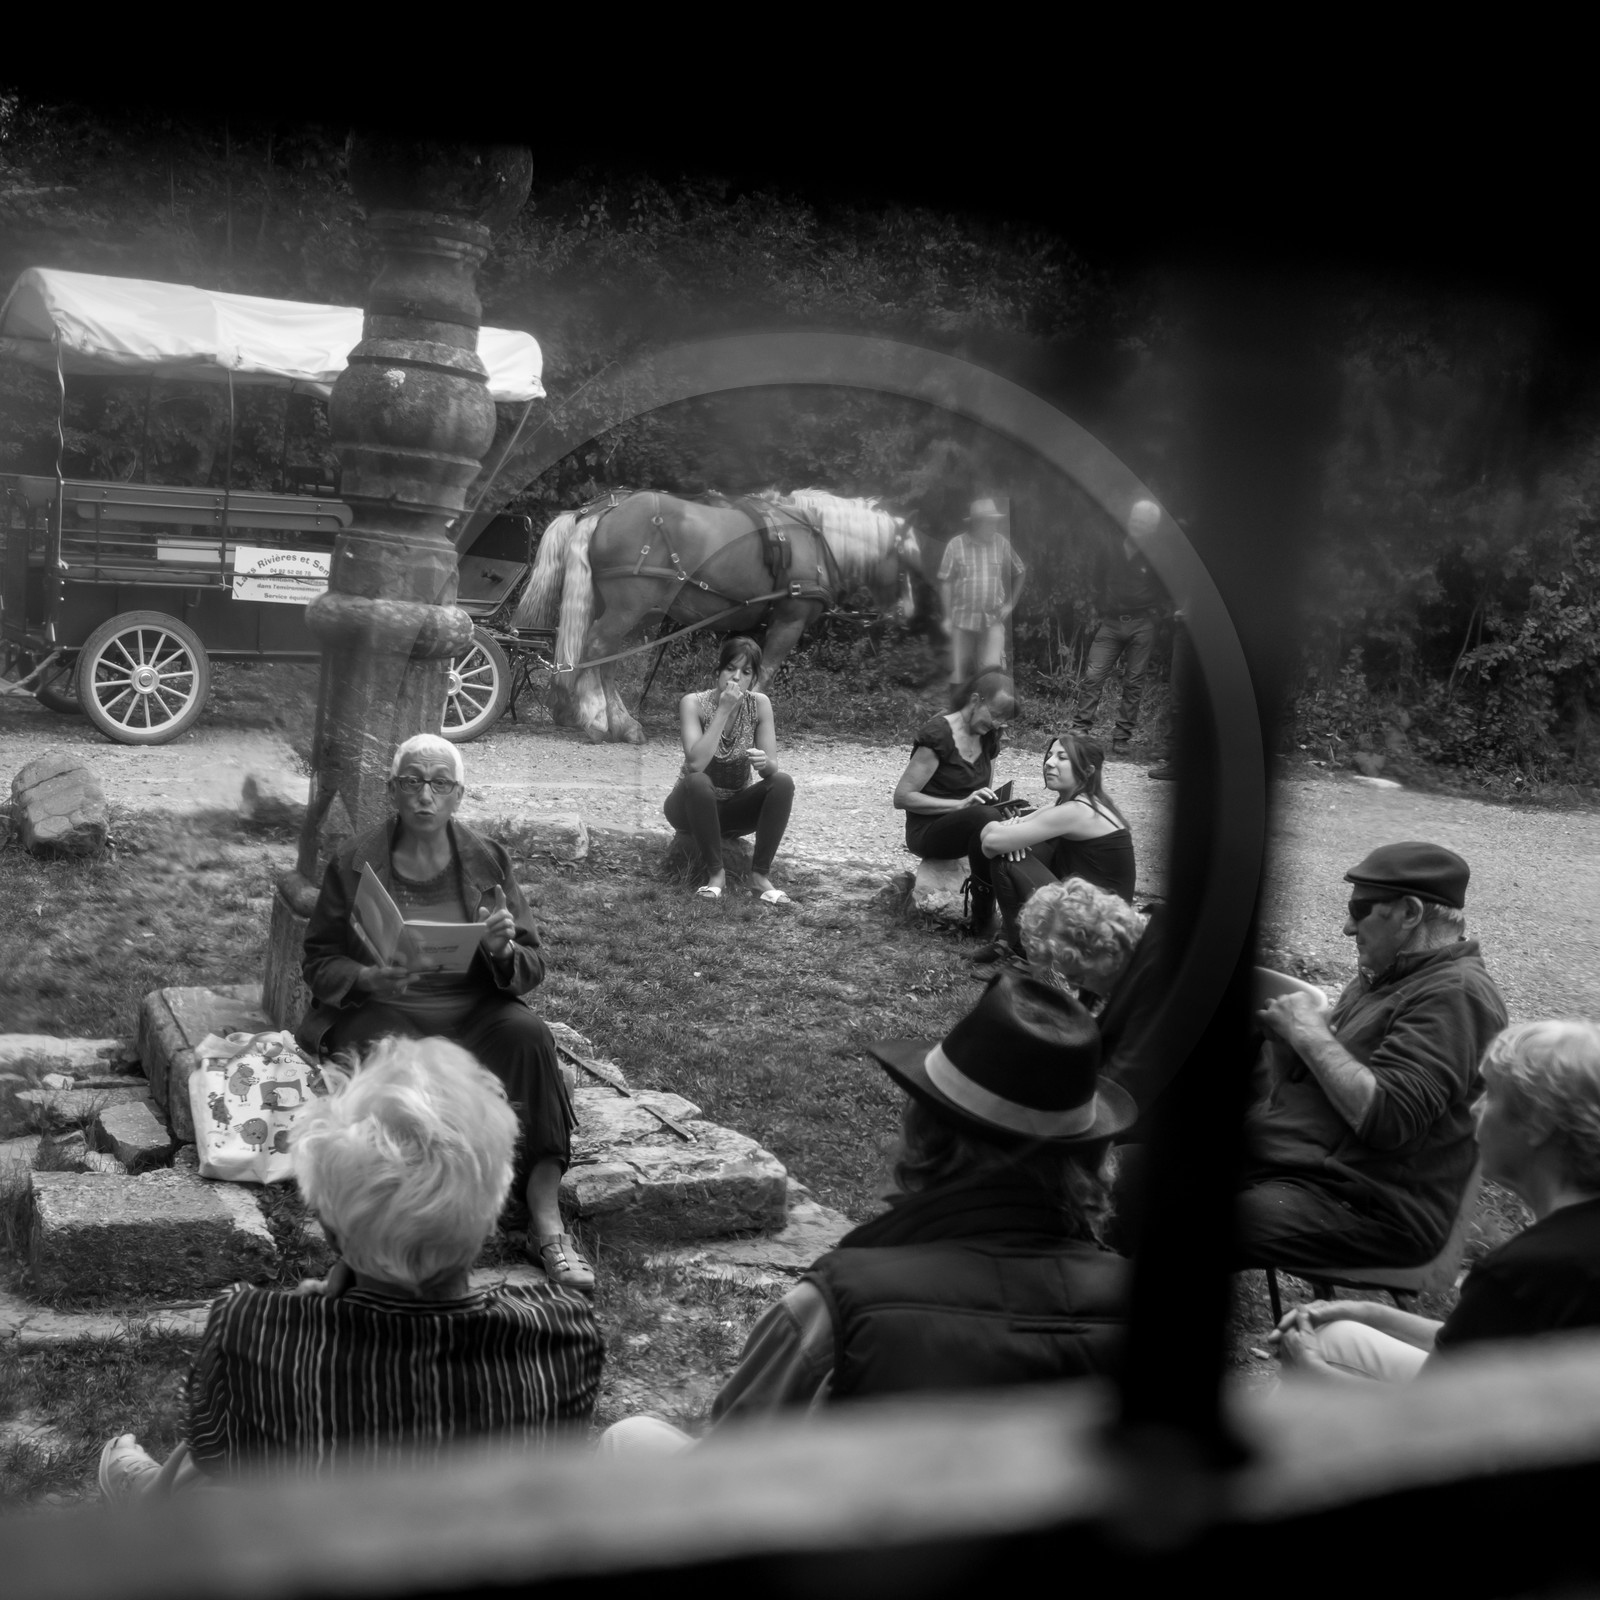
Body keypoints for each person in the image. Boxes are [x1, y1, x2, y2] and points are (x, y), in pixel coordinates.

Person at [597, 970, 1135, 1453]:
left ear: (924, 1133)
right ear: (1090, 1158)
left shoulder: (839, 1304)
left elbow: (732, 1469)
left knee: (630, 1439)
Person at [97, 1037, 605, 1499]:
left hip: (309, 1549)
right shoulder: (563, 1328)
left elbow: (214, 1450)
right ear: (493, 1204)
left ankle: (150, 1496)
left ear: (329, 1223)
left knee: (208, 1476)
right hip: (475, 1543)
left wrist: (290, 1324)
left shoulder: (248, 1323)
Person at [296, 733, 592, 1291]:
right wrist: (365, 976)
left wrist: (503, 950)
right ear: (392, 791)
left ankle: (545, 1218)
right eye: (412, 781)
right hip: (388, 1009)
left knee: (528, 1036)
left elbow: (531, 961)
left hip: (472, 1010)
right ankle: (365, 1230)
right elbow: (318, 960)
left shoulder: (487, 859)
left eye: (439, 784)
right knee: (364, 1051)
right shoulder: (355, 860)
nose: (424, 795)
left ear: (458, 794)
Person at [1272, 1019, 1600, 1381]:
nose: (1475, 1109)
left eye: (1491, 1093)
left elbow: (1430, 1418)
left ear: (1539, 1123)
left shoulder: (1525, 1272)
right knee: (1336, 1335)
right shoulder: (1573, 1249)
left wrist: (1308, 1368)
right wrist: (1363, 1311)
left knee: (1315, 1361)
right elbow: (1473, 1345)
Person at [1238, 841, 1510, 1271]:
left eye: (1360, 909)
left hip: (1364, 1204)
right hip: (1290, 1166)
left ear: (1410, 913)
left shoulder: (1456, 994)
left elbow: (1387, 1118)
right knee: (1130, 1173)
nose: (1348, 927)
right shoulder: (1384, 976)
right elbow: (1313, 1083)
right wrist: (1284, 1040)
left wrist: (1310, 1035)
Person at [975, 734, 1136, 961]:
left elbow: (991, 844)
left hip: (1097, 935)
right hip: (1092, 921)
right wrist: (1001, 831)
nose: (1049, 763)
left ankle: (1020, 957)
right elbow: (988, 833)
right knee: (1024, 848)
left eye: (1062, 757)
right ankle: (1008, 943)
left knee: (1007, 859)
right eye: (1049, 755)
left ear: (1088, 771)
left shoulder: (1079, 811)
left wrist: (1005, 834)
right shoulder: (1070, 803)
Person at [664, 635, 796, 904]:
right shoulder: (694, 703)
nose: (736, 678)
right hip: (690, 806)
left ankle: (759, 876)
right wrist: (723, 710)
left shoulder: (759, 704)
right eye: (730, 669)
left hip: (731, 809)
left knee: (782, 782)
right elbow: (696, 763)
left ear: (753, 678)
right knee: (699, 780)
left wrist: (765, 763)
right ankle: (716, 875)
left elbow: (772, 767)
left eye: (745, 672)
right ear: (718, 671)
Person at [892, 667, 1018, 935]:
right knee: (984, 818)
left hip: (967, 823)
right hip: (927, 831)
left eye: (1002, 720)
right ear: (975, 700)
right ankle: (983, 919)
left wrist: (1000, 808)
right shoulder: (938, 735)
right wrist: (961, 805)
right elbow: (902, 797)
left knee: (1012, 822)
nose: (996, 724)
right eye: (994, 715)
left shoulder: (989, 737)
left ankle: (1014, 923)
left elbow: (984, 792)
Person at [1072, 503, 1169, 754]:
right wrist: (1100, 606)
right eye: (1136, 519)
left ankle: (1122, 737)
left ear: (1153, 528)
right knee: (1093, 674)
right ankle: (1081, 728)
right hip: (1111, 622)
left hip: (1142, 623)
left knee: (1134, 681)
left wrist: (1157, 615)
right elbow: (1096, 578)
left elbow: (1166, 590)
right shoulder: (1111, 545)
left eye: (1144, 523)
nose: (1138, 525)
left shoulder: (1158, 555)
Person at [936, 496, 1025, 704]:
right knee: (957, 671)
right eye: (990, 521)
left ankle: (992, 724)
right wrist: (947, 618)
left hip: (992, 619)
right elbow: (946, 582)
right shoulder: (956, 545)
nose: (994, 525)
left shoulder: (1001, 544)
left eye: (996, 521)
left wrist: (1011, 604)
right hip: (962, 619)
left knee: (992, 672)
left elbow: (1020, 571)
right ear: (976, 523)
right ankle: (955, 718)